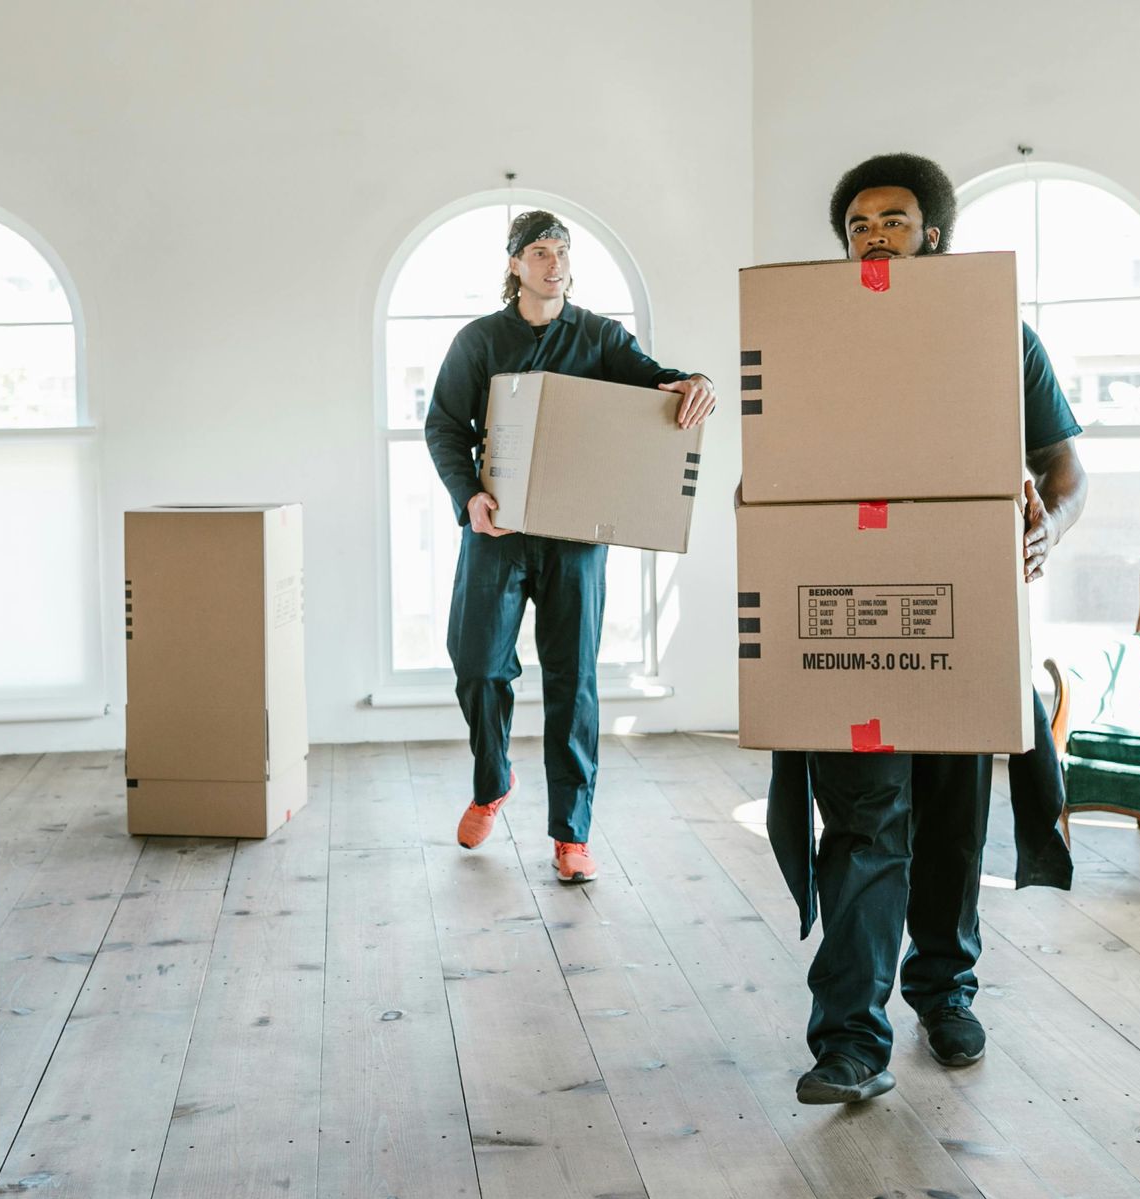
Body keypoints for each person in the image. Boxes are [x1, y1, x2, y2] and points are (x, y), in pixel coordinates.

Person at [774, 154, 1087, 1105]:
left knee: (952, 828)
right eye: (860, 222)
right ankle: (850, 1043)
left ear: (933, 234)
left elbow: (1066, 475)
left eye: (895, 219)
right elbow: (779, 478)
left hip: (964, 617)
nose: (875, 232)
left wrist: (1047, 533)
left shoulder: (1001, 338)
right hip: (849, 620)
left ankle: (946, 995)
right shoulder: (809, 344)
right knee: (864, 826)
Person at [423, 209, 714, 884]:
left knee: (572, 682)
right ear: (515, 264)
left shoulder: (602, 336)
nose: (556, 264)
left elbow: (655, 383)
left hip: (576, 538)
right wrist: (470, 497)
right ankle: (493, 781)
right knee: (477, 663)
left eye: (564, 252)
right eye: (542, 252)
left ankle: (571, 834)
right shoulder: (479, 341)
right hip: (497, 531)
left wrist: (695, 381)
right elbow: (443, 426)